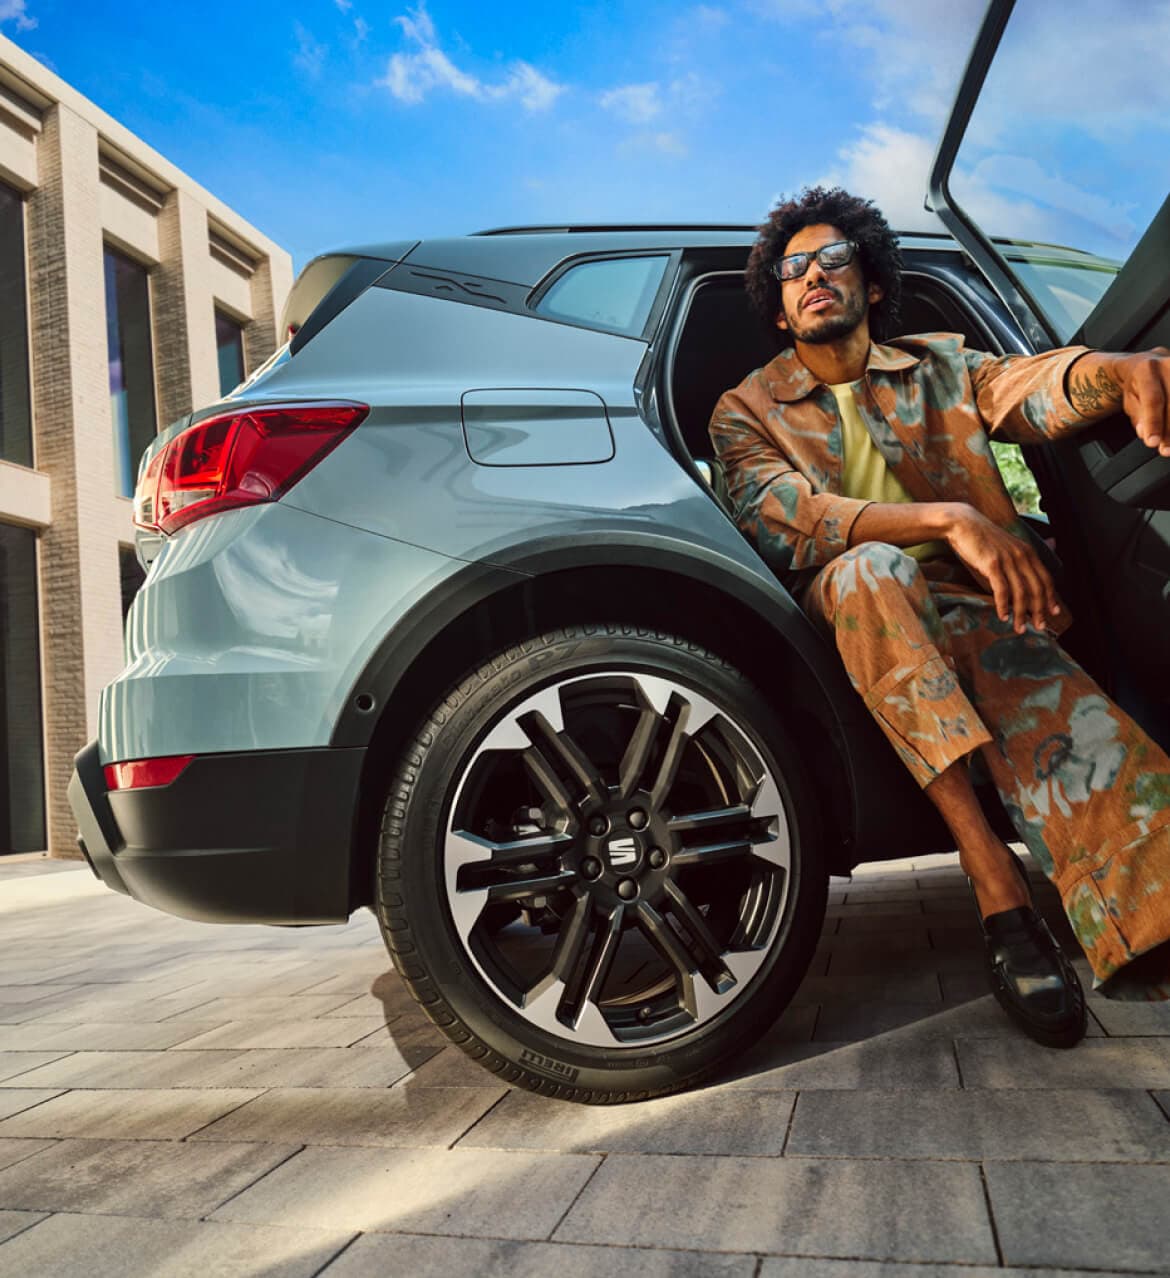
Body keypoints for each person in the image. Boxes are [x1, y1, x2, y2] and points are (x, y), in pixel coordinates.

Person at [709, 186, 1170, 1047]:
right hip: (844, 612)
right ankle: (994, 882)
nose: (813, 275)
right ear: (777, 307)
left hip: (968, 609)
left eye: (833, 259)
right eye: (792, 268)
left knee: (1119, 773)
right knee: (872, 571)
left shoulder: (938, 364)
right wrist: (952, 521)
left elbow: (1031, 389)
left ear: (871, 284)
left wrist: (1119, 371)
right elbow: (784, 514)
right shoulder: (744, 409)